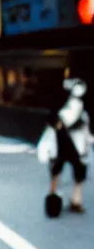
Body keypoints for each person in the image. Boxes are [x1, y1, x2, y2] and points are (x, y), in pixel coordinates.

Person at [37, 78, 92, 217]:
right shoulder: (73, 104)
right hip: (69, 141)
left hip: (70, 141)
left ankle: (69, 198)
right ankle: (68, 199)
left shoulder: (69, 104)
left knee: (62, 169)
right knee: (69, 168)